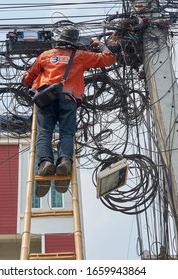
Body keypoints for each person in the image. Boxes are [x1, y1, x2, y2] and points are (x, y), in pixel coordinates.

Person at [22, 26, 116, 197]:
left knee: (44, 131)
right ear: (75, 41)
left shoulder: (45, 55)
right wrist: (99, 44)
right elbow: (108, 59)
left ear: (60, 39)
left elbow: (27, 78)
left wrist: (30, 84)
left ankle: (45, 163)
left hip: (45, 98)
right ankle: (64, 160)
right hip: (69, 98)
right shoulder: (80, 56)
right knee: (67, 132)